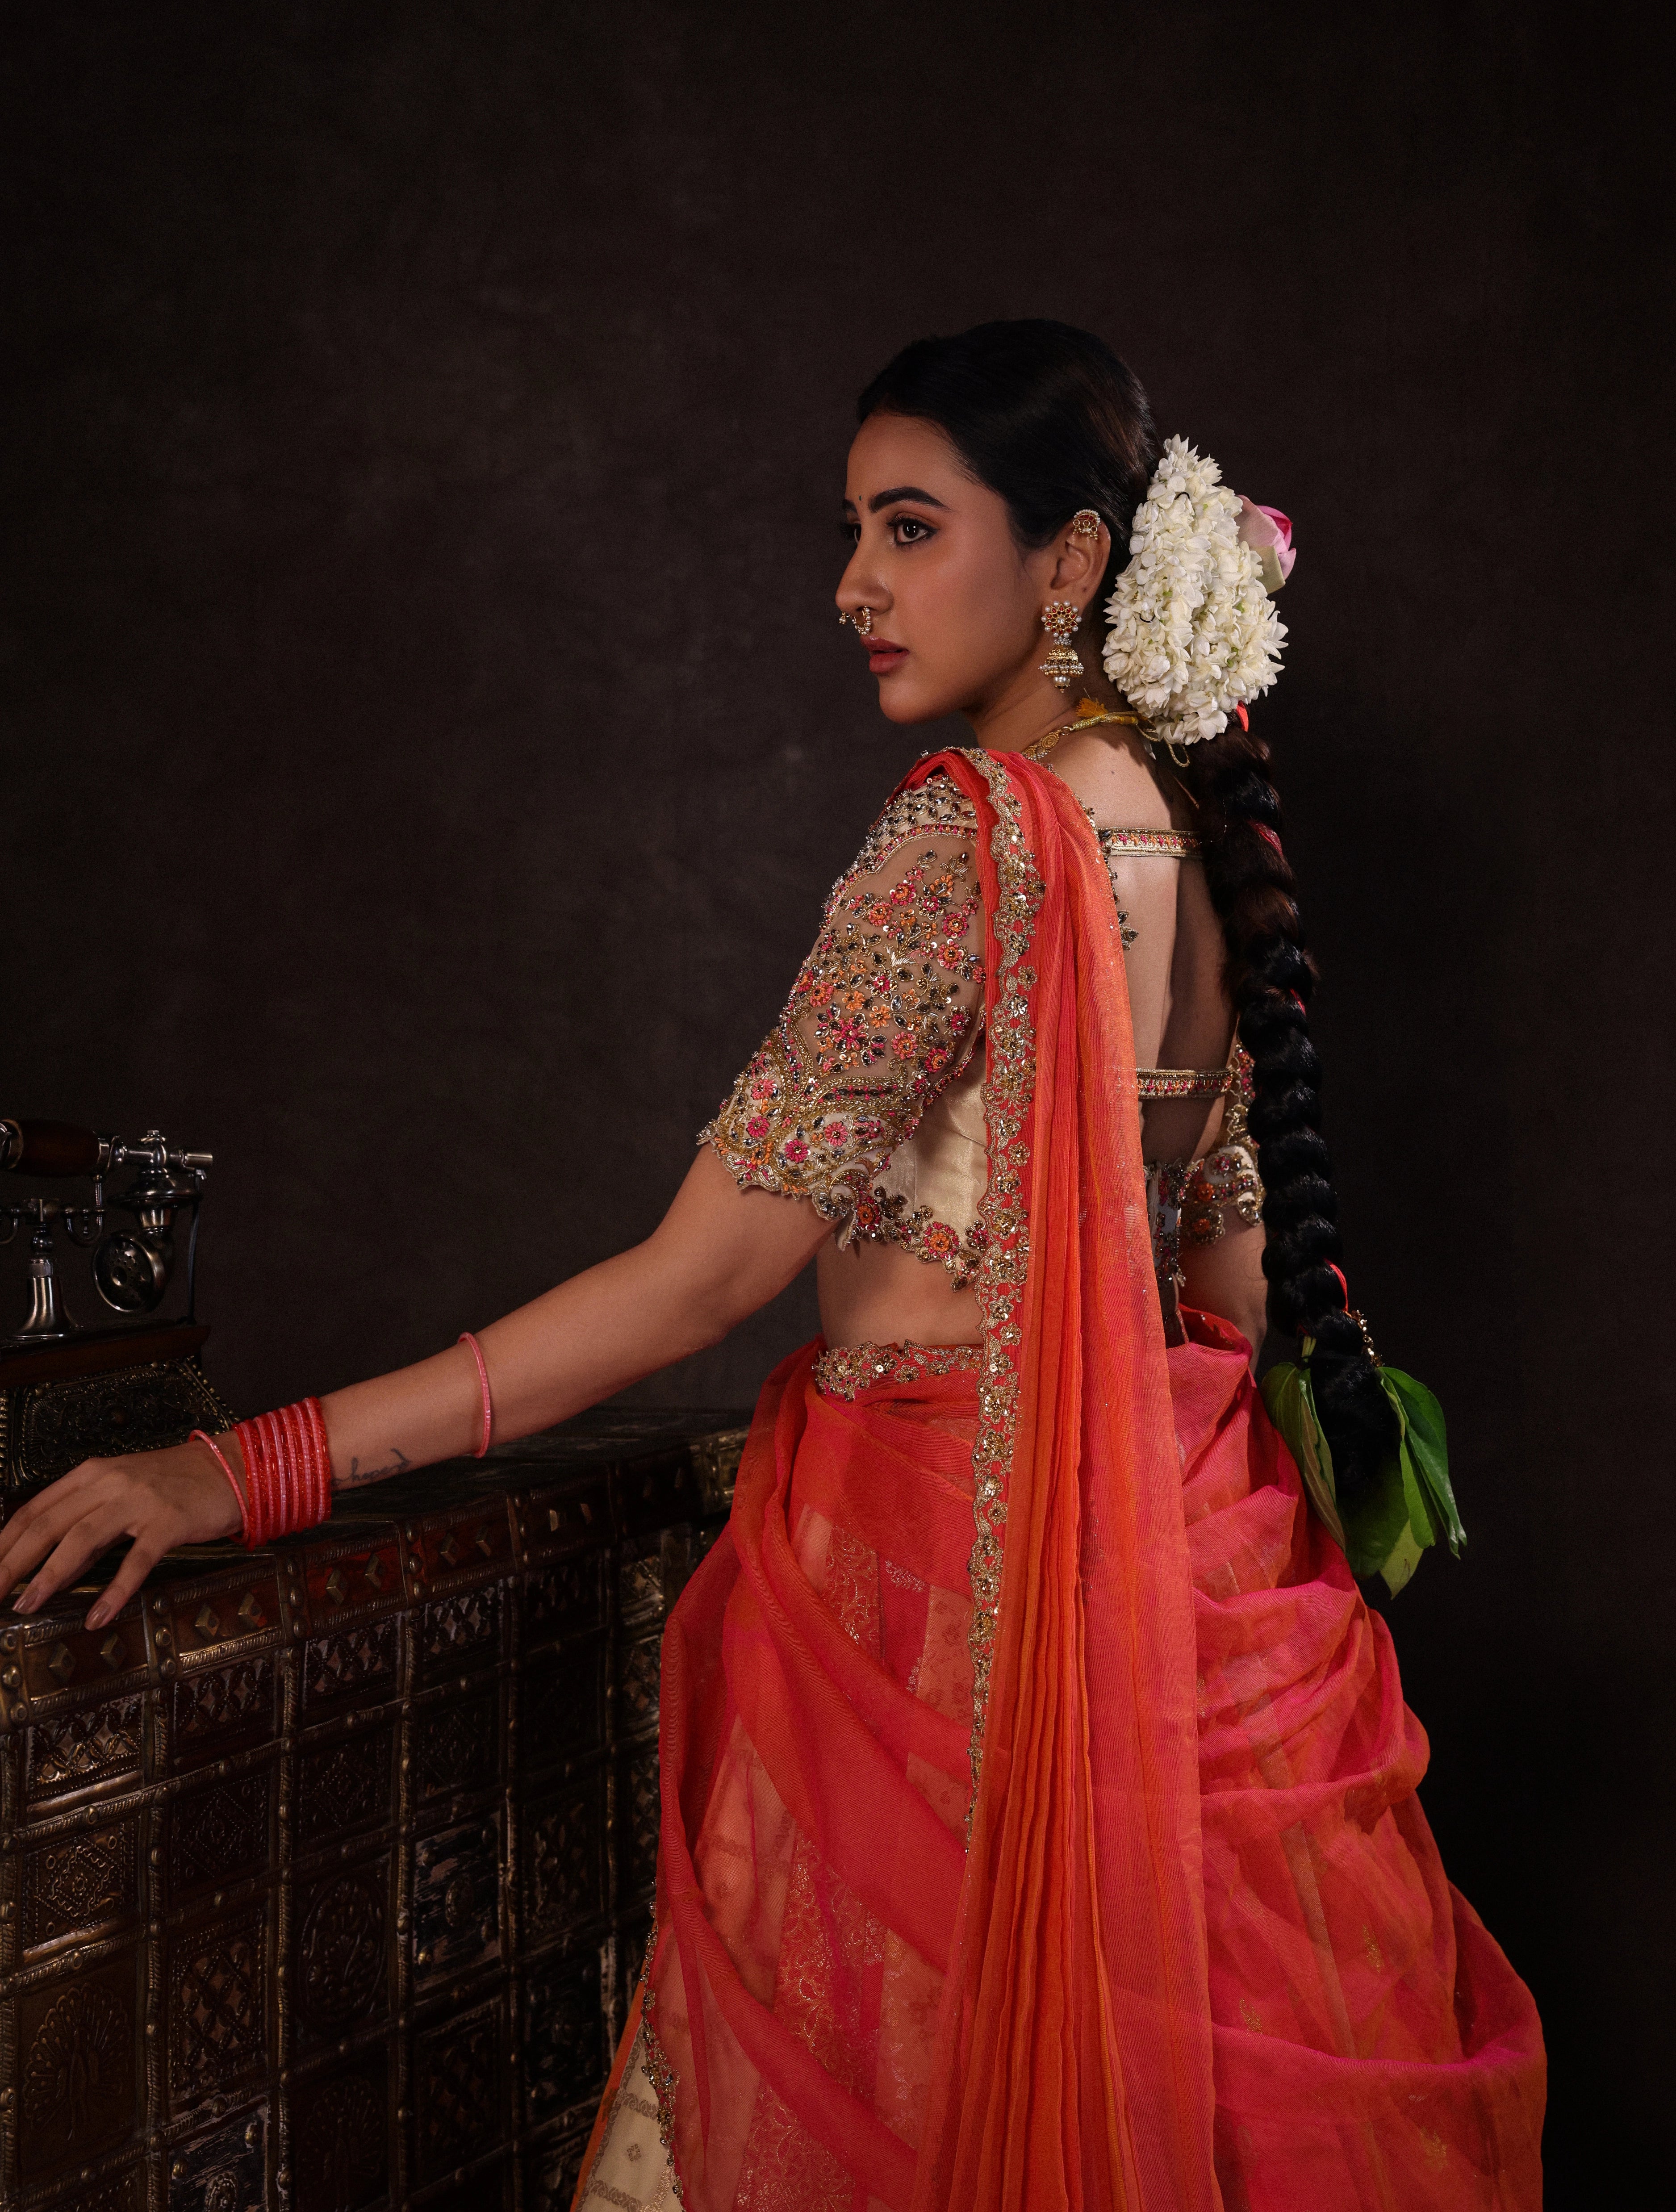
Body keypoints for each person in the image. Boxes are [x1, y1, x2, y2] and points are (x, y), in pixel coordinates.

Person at [0, 322, 1544, 2210]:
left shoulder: (964, 842)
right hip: (1187, 1564)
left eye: (908, 529)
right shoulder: (1205, 845)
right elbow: (1221, 1280)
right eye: (853, 531)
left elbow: (690, 1286)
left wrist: (245, 1466)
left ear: (1069, 561)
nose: (853, 587)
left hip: (944, 1595)